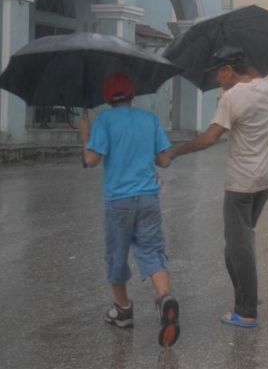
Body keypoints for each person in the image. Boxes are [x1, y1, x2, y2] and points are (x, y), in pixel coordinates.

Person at [168, 46, 268, 329]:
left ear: (229, 69)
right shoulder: (267, 87)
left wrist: (174, 153)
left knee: (238, 248)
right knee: (240, 242)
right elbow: (253, 74)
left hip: (242, 184)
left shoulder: (232, 97)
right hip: (266, 180)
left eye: (218, 72)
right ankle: (247, 293)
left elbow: (209, 138)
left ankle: (247, 310)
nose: (217, 79)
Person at [78, 73, 180, 347]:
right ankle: (164, 298)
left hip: (119, 202)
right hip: (148, 199)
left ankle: (122, 310)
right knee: (151, 249)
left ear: (107, 99)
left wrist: (85, 132)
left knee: (117, 255)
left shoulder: (104, 121)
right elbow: (164, 160)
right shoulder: (149, 119)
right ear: (132, 96)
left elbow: (90, 159)